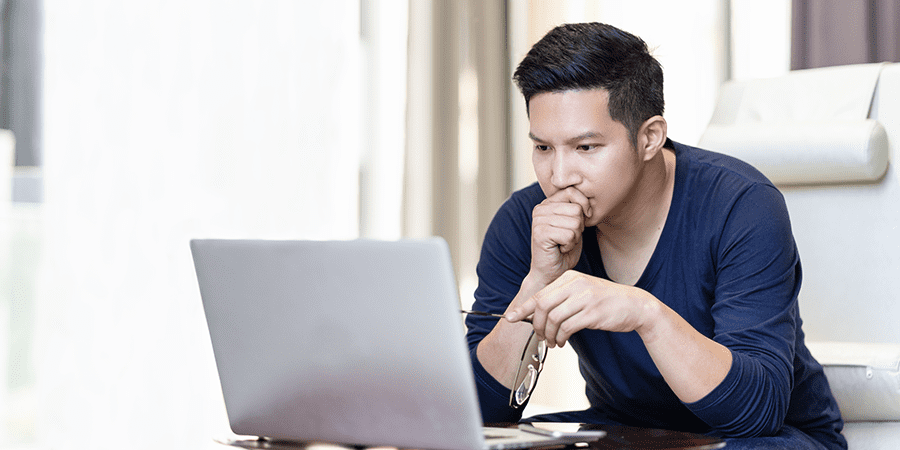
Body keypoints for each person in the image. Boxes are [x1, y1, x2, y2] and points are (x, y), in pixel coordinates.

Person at [464, 22, 846, 450]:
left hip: (762, 438)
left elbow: (755, 412)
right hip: (627, 432)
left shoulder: (742, 206)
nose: (559, 176)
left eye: (585, 148)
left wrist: (645, 314)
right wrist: (538, 283)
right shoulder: (525, 221)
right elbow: (474, 414)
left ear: (649, 138)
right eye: (543, 148)